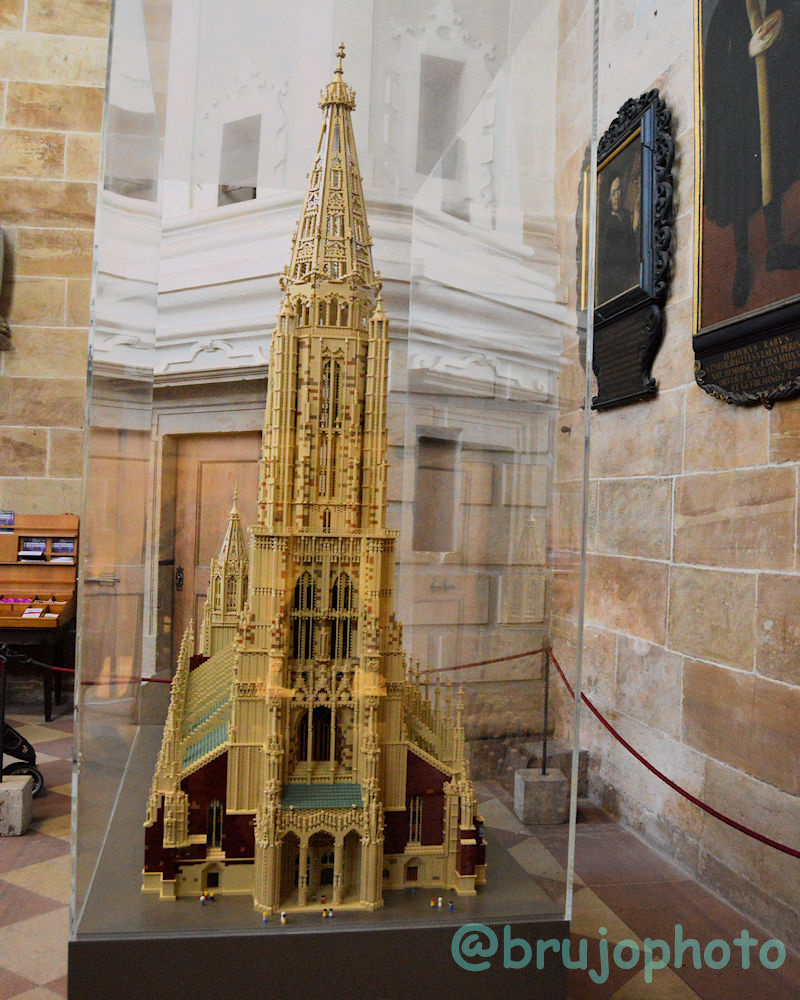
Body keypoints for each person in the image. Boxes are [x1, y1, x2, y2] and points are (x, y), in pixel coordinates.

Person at [704, 0, 800, 308]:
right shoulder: (726, 10)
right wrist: (748, 52)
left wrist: (779, 36)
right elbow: (714, 74)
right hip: (739, 120)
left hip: (772, 108)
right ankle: (742, 261)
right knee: (741, 189)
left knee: (773, 177)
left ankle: (777, 248)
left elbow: (791, 52)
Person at [597, 174, 639, 304]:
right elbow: (612, 252)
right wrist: (634, 227)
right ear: (609, 196)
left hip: (628, 275)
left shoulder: (626, 216)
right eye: (614, 192)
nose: (618, 196)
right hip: (613, 280)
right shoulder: (607, 222)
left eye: (620, 190)